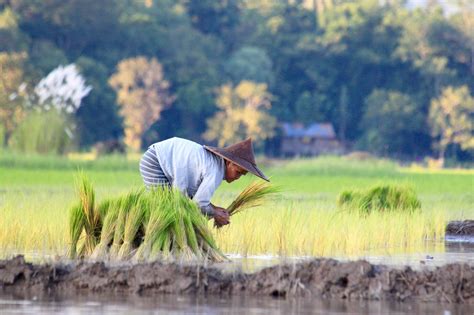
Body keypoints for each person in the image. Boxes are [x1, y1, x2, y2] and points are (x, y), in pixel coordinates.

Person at [139, 137, 269, 228]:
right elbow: (199, 204)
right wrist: (216, 213)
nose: (238, 177)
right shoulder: (215, 172)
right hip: (156, 161)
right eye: (238, 172)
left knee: (173, 209)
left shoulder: (214, 165)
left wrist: (214, 208)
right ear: (229, 163)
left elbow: (196, 199)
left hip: (160, 157)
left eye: (242, 175)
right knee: (165, 209)